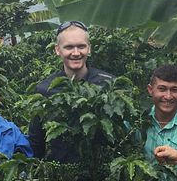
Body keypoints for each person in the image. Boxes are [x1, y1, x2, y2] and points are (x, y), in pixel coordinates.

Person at [28, 20, 115, 163]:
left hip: (103, 174)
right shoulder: (45, 89)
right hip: (62, 176)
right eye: (69, 47)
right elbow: (36, 140)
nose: (76, 53)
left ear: (89, 48)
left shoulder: (108, 83)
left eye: (81, 46)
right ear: (58, 50)